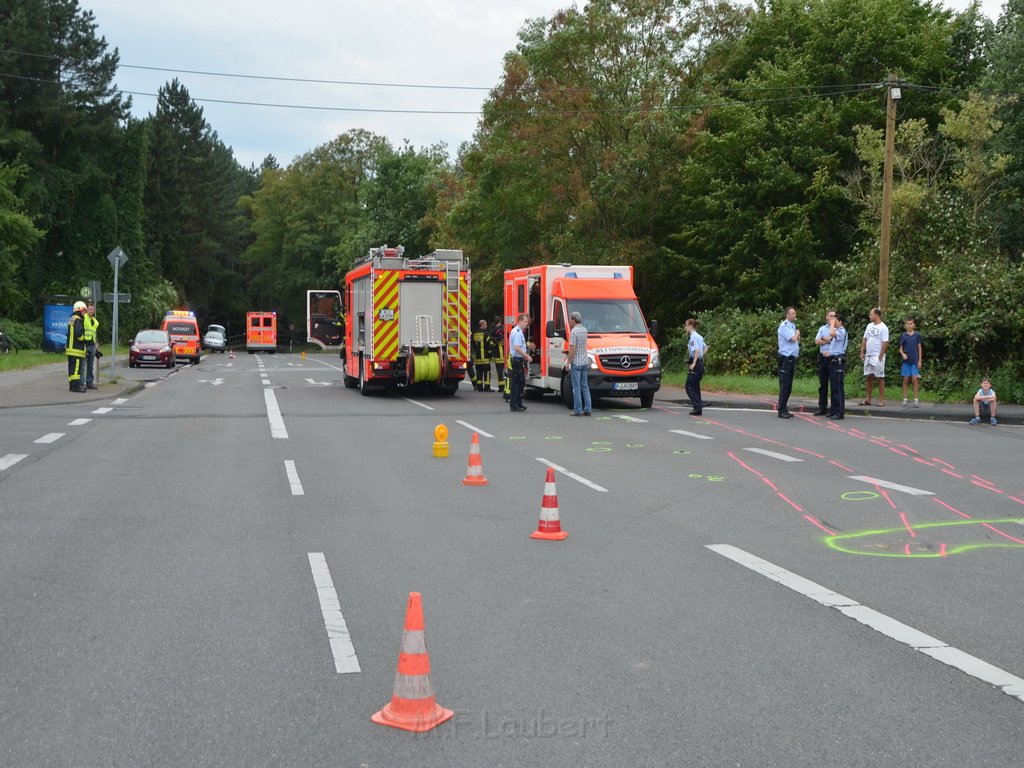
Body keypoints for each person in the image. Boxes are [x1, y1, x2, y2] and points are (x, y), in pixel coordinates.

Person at [859, 307, 889, 407]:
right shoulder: (869, 326)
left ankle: (881, 400)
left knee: (880, 377)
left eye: (871, 314)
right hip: (868, 355)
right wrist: (862, 352)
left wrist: (880, 356)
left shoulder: (883, 327)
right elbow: (865, 339)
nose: (870, 316)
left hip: (877, 355)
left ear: (876, 315)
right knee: (869, 377)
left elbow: (885, 343)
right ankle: (868, 399)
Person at [564, 311, 592, 416]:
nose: (570, 321)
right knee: (585, 386)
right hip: (584, 361)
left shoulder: (574, 332)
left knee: (576, 387)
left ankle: (578, 410)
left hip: (576, 362)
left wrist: (568, 362)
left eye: (570, 319)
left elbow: (573, 349)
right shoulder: (584, 330)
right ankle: (588, 409)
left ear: (574, 320)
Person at [776, 307, 800, 419]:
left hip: (791, 358)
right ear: (787, 315)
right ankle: (781, 410)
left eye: (795, 313)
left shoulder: (792, 326)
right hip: (785, 359)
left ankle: (784, 407)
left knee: (789, 386)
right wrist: (798, 333)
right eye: (793, 313)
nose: (795, 315)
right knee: (785, 385)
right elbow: (793, 339)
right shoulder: (784, 326)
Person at [825, 312, 848, 420]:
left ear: (840, 322)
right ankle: (833, 410)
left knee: (838, 387)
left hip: (838, 360)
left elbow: (831, 333)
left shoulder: (842, 331)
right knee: (833, 387)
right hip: (832, 359)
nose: (834, 322)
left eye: (836, 320)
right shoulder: (837, 331)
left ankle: (839, 412)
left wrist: (832, 324)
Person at [813, 309, 836, 415]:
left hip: (832, 359)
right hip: (823, 358)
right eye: (830, 315)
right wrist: (826, 339)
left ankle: (834, 408)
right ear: (826, 317)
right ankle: (822, 407)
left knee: (834, 385)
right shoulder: (822, 328)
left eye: (834, 316)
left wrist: (827, 340)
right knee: (823, 384)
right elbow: (817, 341)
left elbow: (835, 342)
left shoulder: (837, 329)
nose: (832, 317)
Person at [508, 314, 531, 412]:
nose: (527, 324)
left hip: (518, 360)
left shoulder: (518, 331)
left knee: (520, 383)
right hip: (517, 360)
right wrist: (526, 356)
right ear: (520, 321)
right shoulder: (517, 332)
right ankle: (515, 405)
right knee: (517, 383)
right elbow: (517, 347)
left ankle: (518, 403)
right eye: (525, 322)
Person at [684, 318, 707, 416]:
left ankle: (697, 405)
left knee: (689, 385)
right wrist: (701, 357)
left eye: (686, 325)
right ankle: (698, 408)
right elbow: (705, 348)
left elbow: (697, 350)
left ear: (691, 326)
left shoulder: (693, 337)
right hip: (700, 363)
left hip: (696, 364)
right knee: (695, 386)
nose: (685, 327)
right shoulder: (699, 336)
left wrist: (694, 362)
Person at [899, 317, 923, 407]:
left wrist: (919, 360)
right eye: (908, 324)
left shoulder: (917, 335)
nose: (909, 325)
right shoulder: (904, 336)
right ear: (906, 325)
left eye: (911, 323)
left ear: (914, 325)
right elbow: (900, 349)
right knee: (905, 379)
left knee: (914, 379)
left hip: (915, 361)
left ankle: (916, 399)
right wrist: (903, 354)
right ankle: (905, 399)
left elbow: (919, 348)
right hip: (906, 362)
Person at [66, 301, 88, 393]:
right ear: (80, 310)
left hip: (70, 349)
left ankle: (72, 385)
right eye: (84, 311)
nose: (85, 313)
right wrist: (84, 339)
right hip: (76, 349)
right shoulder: (78, 319)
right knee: (76, 369)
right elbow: (79, 334)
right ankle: (76, 386)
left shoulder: (72, 318)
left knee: (71, 368)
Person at [470, 319, 492, 391]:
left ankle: (479, 387)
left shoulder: (475, 334)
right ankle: (487, 387)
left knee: (478, 373)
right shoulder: (486, 334)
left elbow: (473, 345)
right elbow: (489, 345)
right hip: (485, 358)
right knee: (487, 373)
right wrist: (490, 354)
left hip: (477, 358)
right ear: (482, 325)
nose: (486, 326)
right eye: (485, 324)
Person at [83, 302, 100, 389]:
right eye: (90, 309)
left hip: (92, 344)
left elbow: (94, 333)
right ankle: (82, 383)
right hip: (84, 344)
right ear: (87, 310)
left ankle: (89, 382)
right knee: (83, 365)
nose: (91, 311)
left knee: (90, 365)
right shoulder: (83, 318)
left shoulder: (95, 321)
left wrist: (96, 344)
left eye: (93, 309)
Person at [490, 315, 505, 392]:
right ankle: (507, 387)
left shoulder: (493, 330)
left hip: (498, 353)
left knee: (499, 371)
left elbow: (491, 342)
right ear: (500, 321)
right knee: (506, 370)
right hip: (505, 353)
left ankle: (501, 387)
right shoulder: (505, 329)